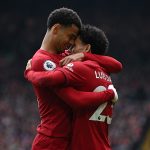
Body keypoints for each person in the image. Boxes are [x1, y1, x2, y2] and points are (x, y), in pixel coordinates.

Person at [25, 7, 122, 150]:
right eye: (70, 36)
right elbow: (74, 99)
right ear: (56, 29)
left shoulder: (67, 55)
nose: (71, 42)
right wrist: (109, 94)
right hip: (52, 140)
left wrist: (84, 55)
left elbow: (116, 65)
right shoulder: (41, 61)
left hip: (71, 140)